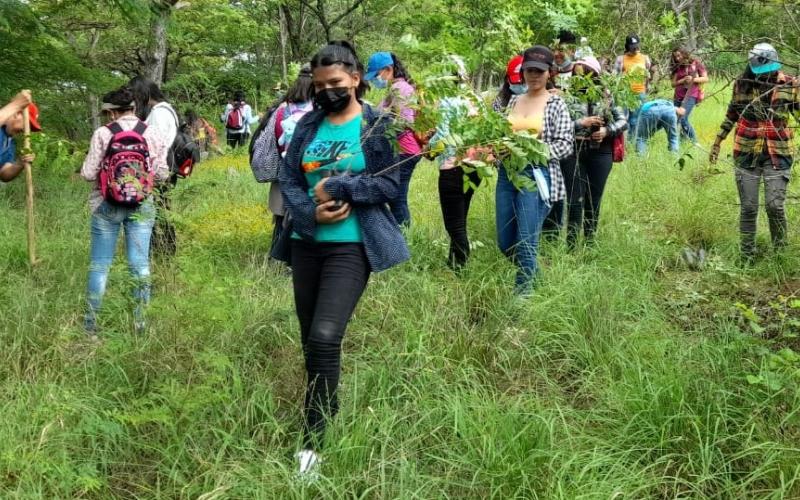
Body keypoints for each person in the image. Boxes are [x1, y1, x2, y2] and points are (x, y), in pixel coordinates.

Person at [278, 41, 409, 477]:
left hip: (352, 244)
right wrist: (309, 210)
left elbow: (390, 186)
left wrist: (339, 189)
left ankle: (313, 444)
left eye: (335, 83)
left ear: (355, 78)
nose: (327, 91)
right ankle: (323, 408)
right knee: (309, 339)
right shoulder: (307, 126)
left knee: (325, 335)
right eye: (319, 85)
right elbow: (290, 179)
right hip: (306, 239)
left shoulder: (378, 126)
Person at [80, 87, 170, 336]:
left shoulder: (102, 133)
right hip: (142, 204)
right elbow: (162, 173)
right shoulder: (152, 132)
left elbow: (88, 173)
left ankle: (90, 327)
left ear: (111, 113)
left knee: (100, 266)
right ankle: (140, 326)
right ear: (133, 108)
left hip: (105, 205)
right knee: (139, 266)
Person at [710, 43, 800, 260]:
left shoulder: (789, 84)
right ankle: (746, 256)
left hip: (778, 151)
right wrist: (717, 141)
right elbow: (732, 113)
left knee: (774, 205)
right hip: (746, 150)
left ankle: (780, 254)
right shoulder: (742, 85)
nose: (766, 74)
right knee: (749, 207)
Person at [498, 46, 573, 295]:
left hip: (537, 174)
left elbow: (564, 146)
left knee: (526, 241)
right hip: (507, 174)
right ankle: (535, 277)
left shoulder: (555, 104)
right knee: (505, 241)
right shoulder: (515, 101)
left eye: (539, 71)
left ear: (549, 73)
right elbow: (503, 136)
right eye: (530, 70)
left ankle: (523, 298)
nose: (534, 76)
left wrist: (531, 148)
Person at [250, 64, 315, 257]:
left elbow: (272, 141)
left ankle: (278, 255)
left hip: (284, 172)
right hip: (311, 173)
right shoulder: (318, 109)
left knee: (281, 218)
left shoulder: (282, 109)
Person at [564, 56, 628, 246]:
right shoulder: (567, 96)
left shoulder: (607, 96)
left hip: (601, 151)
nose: (581, 75)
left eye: (585, 71)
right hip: (573, 150)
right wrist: (580, 123)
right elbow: (558, 124)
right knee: (575, 198)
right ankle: (571, 244)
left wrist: (606, 131)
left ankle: (590, 241)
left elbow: (623, 121)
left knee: (594, 198)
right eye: (577, 71)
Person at [429, 56, 481, 269]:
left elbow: (441, 138)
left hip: (452, 168)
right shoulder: (474, 100)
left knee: (454, 225)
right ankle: (452, 263)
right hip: (474, 168)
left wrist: (428, 148)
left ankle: (461, 266)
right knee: (461, 218)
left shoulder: (446, 102)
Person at [363, 51, 422, 227]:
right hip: (405, 150)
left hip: (405, 150)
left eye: (376, 75)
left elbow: (405, 122)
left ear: (388, 69)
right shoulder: (398, 87)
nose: (375, 80)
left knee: (397, 198)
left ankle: (404, 238)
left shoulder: (399, 89)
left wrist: (383, 124)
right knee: (394, 197)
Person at [128, 76, 180, 256]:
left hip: (160, 168)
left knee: (159, 209)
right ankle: (163, 248)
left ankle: (164, 250)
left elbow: (157, 144)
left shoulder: (158, 112)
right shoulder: (166, 109)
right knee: (162, 208)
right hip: (164, 167)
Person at [614, 34, 654, 142]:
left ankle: (632, 142)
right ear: (628, 46)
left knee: (635, 119)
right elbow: (614, 76)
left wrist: (647, 87)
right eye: (632, 46)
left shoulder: (645, 58)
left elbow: (648, 75)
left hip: (639, 92)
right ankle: (622, 144)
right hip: (624, 93)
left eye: (636, 45)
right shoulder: (621, 59)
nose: (635, 48)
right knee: (623, 119)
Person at [670, 47, 708, 146]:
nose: (677, 58)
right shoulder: (677, 66)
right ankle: (681, 143)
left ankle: (695, 142)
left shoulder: (696, 63)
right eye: (675, 57)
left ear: (684, 53)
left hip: (691, 95)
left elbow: (705, 78)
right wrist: (682, 80)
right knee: (677, 120)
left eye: (679, 55)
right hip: (678, 95)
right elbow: (673, 83)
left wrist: (693, 79)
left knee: (683, 118)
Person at [1, 96, 39, 183]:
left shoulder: (9, 143)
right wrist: (16, 105)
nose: (26, 130)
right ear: (17, 114)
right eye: (27, 124)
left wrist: (20, 163)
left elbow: (3, 175)